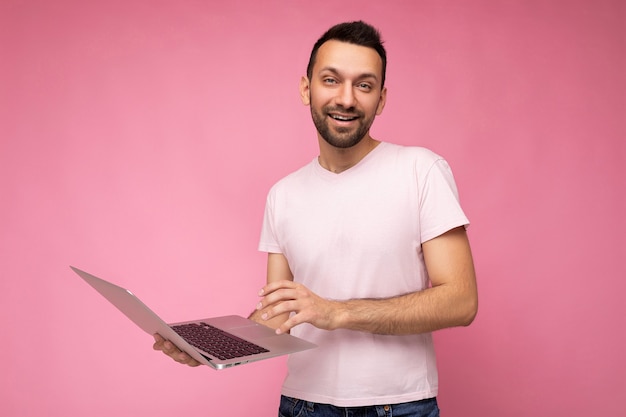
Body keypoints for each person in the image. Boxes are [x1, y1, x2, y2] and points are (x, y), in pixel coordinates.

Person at [154, 21, 478, 417]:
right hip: (303, 405)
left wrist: (338, 312)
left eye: (364, 85)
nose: (346, 98)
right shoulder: (283, 195)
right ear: (306, 89)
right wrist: (208, 349)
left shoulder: (421, 170)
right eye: (331, 80)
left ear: (381, 98)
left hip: (398, 406)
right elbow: (280, 314)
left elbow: (461, 301)